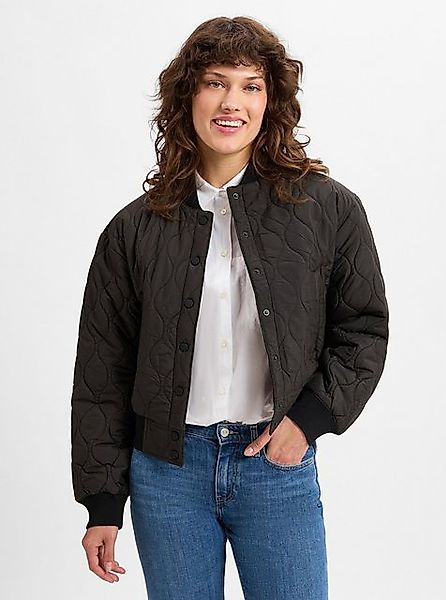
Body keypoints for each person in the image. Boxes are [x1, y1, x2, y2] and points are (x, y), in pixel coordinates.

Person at [70, 15, 389, 600]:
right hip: (166, 476)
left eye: (250, 86)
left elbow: (363, 330)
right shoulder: (134, 229)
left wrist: (308, 421)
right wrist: (103, 503)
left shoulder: (328, 209)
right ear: (188, 95)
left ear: (271, 102)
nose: (231, 103)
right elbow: (103, 369)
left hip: (276, 464)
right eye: (215, 82)